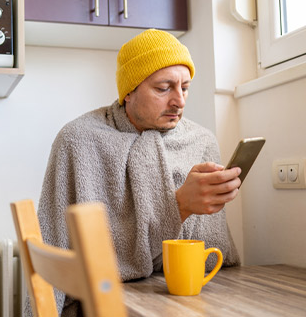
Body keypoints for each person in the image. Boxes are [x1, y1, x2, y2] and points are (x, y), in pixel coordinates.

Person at [35, 29, 241, 317]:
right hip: (99, 305)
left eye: (185, 87)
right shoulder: (78, 141)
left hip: (186, 301)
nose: (179, 101)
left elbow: (211, 254)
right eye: (163, 88)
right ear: (128, 91)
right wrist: (179, 205)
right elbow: (56, 245)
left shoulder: (201, 141)